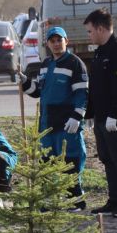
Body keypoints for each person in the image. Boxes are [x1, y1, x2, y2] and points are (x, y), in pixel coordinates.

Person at [18, 26, 88, 210]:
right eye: (52, 41)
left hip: (67, 123)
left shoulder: (75, 63)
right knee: (46, 161)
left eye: (59, 40)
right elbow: (38, 92)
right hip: (47, 123)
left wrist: (76, 116)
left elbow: (82, 93)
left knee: (70, 160)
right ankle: (48, 201)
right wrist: (25, 81)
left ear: (67, 41)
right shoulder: (46, 64)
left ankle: (76, 201)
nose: (56, 44)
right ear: (47, 44)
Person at [84, 8, 117, 217]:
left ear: (100, 28)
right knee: (107, 158)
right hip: (100, 117)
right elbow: (96, 86)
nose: (89, 35)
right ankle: (115, 200)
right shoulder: (99, 51)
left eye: (90, 31)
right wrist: (90, 113)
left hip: (115, 118)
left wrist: (115, 114)